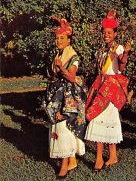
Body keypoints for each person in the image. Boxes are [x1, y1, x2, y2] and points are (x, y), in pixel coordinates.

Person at [84, 9, 130, 171]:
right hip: (101, 85)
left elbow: (122, 65)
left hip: (112, 88)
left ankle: (105, 157)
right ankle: (106, 157)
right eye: (104, 32)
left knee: (107, 118)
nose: (106, 35)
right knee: (98, 117)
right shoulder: (102, 51)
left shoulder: (118, 49)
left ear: (115, 33)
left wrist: (125, 55)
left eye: (109, 32)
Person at [43, 16, 87, 178]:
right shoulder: (59, 54)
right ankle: (71, 159)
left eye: (62, 38)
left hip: (68, 95)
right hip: (58, 93)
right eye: (57, 38)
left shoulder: (73, 56)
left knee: (64, 124)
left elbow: (71, 77)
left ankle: (64, 163)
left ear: (69, 39)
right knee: (58, 123)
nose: (58, 41)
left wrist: (61, 68)